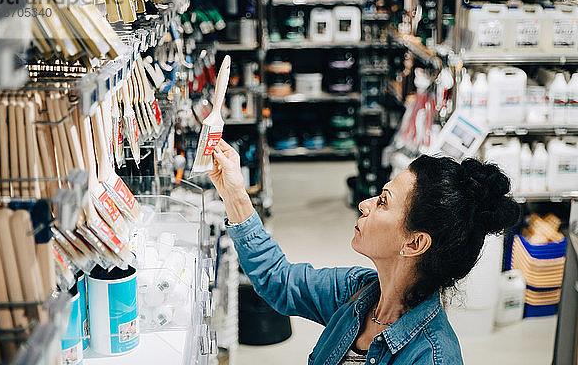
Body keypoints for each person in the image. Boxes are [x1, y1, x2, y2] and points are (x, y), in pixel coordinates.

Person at [209, 140, 520, 365]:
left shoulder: (432, 357)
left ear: (414, 243)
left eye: (382, 201)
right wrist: (235, 193)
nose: (364, 204)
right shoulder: (357, 293)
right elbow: (279, 280)